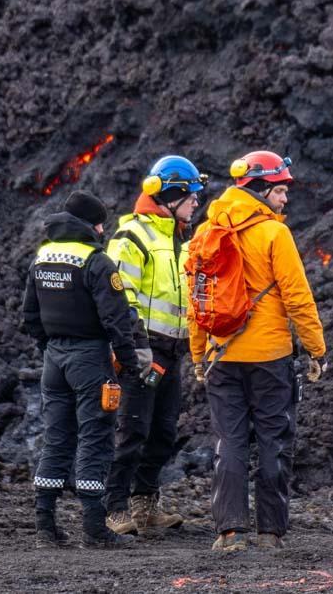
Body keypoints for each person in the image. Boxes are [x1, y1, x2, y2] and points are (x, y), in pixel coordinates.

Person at [189, 150, 328, 552]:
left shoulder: (205, 233)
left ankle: (229, 532)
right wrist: (316, 349)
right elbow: (298, 297)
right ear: (261, 189)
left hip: (221, 357)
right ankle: (269, 533)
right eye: (281, 191)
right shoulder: (274, 234)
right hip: (270, 358)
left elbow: (196, 303)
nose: (285, 199)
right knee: (273, 441)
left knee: (229, 442)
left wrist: (199, 356)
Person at [20, 190, 150, 549]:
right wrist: (127, 360)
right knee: (95, 437)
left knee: (56, 437)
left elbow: (29, 316)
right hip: (90, 359)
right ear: (93, 225)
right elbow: (116, 319)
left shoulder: (42, 258)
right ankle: (94, 528)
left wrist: (49, 348)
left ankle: (45, 525)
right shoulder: (97, 261)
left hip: (54, 360)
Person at [103, 155, 206, 535]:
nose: (197, 202)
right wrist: (135, 347)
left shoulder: (181, 242)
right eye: (191, 195)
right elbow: (119, 298)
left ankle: (145, 507)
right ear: (170, 196)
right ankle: (113, 509)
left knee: (163, 433)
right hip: (141, 353)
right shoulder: (133, 238)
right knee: (131, 431)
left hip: (172, 352)